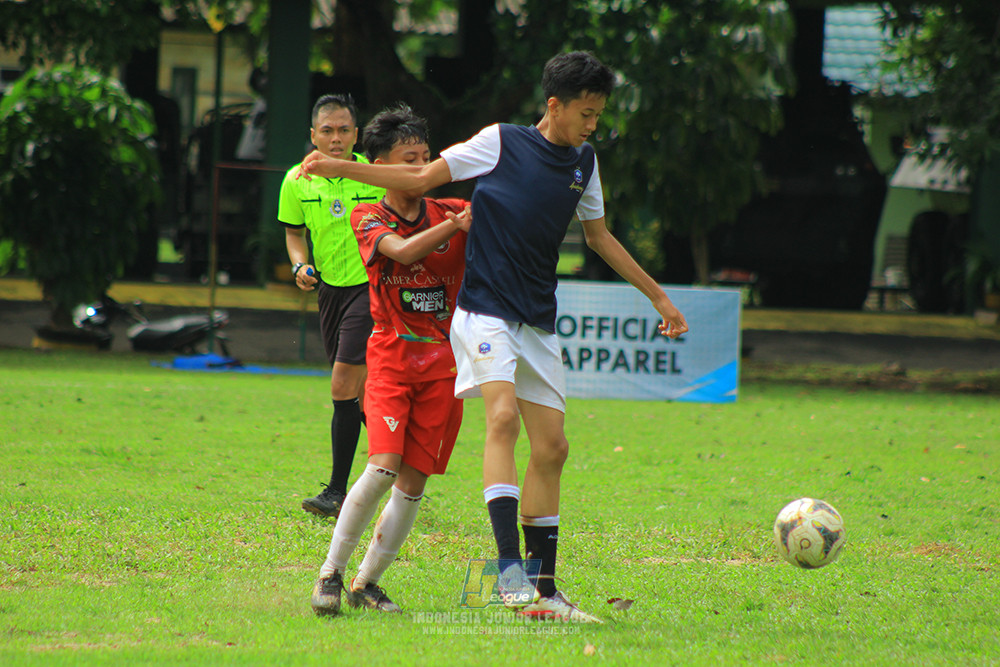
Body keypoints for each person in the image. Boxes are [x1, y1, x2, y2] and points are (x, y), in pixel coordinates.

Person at [299, 51, 688, 623]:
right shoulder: (501, 141)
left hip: (537, 319)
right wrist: (346, 169)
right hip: (484, 312)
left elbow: (599, 236)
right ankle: (508, 574)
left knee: (553, 448)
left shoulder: (585, 161)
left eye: (598, 114)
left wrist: (657, 295)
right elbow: (419, 177)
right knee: (500, 419)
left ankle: (544, 591)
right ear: (554, 106)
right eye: (585, 112)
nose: (592, 123)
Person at [310, 105, 471, 615]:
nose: (420, 170)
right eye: (408, 161)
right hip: (391, 358)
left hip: (444, 365)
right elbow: (400, 253)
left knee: (414, 482)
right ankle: (329, 574)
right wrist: (456, 227)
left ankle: (366, 583)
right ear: (380, 166)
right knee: (383, 467)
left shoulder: (450, 208)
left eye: (426, 159)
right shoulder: (368, 215)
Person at [278, 94, 384, 518]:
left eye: (343, 130)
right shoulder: (296, 180)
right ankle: (403, 470)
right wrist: (300, 265)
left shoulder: (374, 175)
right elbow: (293, 233)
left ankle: (338, 492)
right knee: (360, 396)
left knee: (343, 385)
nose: (335, 138)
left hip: (369, 288)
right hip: (330, 293)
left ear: (357, 135)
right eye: (327, 130)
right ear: (313, 135)